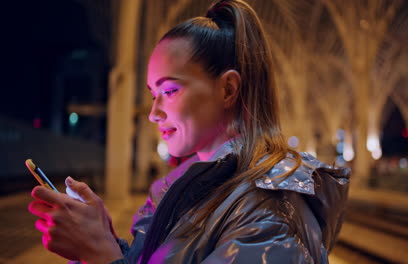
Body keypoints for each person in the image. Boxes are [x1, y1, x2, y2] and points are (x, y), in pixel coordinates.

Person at [28, 0, 350, 263]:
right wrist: (106, 240)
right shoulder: (191, 187)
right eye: (153, 94)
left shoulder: (270, 212)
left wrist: (99, 255)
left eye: (169, 91)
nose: (154, 114)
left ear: (228, 89)